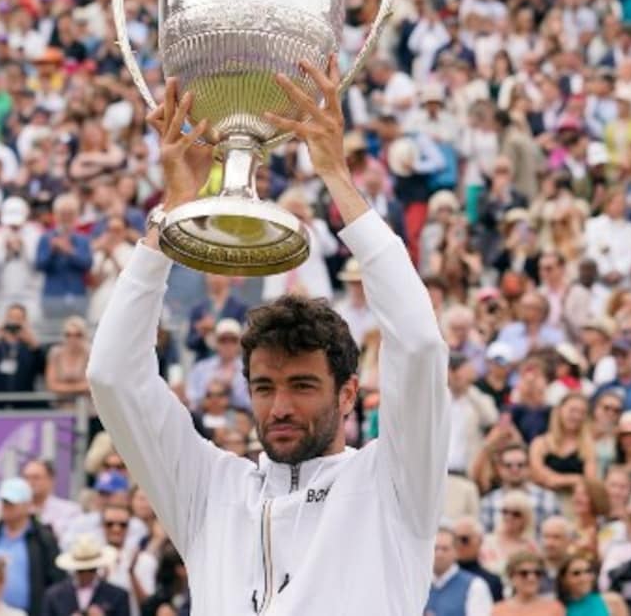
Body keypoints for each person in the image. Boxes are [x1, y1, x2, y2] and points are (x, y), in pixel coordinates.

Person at [86, 65, 450, 613]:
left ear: (348, 393)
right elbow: (112, 376)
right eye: (264, 386)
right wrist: (169, 217)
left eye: (303, 385)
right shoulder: (208, 491)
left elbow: (420, 344)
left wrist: (336, 178)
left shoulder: (393, 485)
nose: (280, 407)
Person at [0, 478, 64, 616]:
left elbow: (57, 580)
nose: (6, 507)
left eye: (12, 503)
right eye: (4, 502)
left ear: (27, 505)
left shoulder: (44, 540)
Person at [44, 536, 129, 616]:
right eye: (81, 570)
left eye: (91, 569)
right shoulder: (54, 595)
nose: (86, 575)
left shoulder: (117, 596)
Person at [426, 527, 493, 616]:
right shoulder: (418, 583)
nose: (439, 554)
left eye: (445, 549)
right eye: (435, 548)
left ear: (456, 551)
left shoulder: (475, 586)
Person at [492, 551, 565, 616]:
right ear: (511, 577)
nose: (531, 578)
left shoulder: (554, 608)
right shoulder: (499, 611)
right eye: (524, 573)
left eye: (537, 573)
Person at [557, 551, 629, 616]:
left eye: (588, 571)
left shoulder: (613, 601)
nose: (584, 578)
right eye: (576, 573)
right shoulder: (558, 609)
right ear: (563, 579)